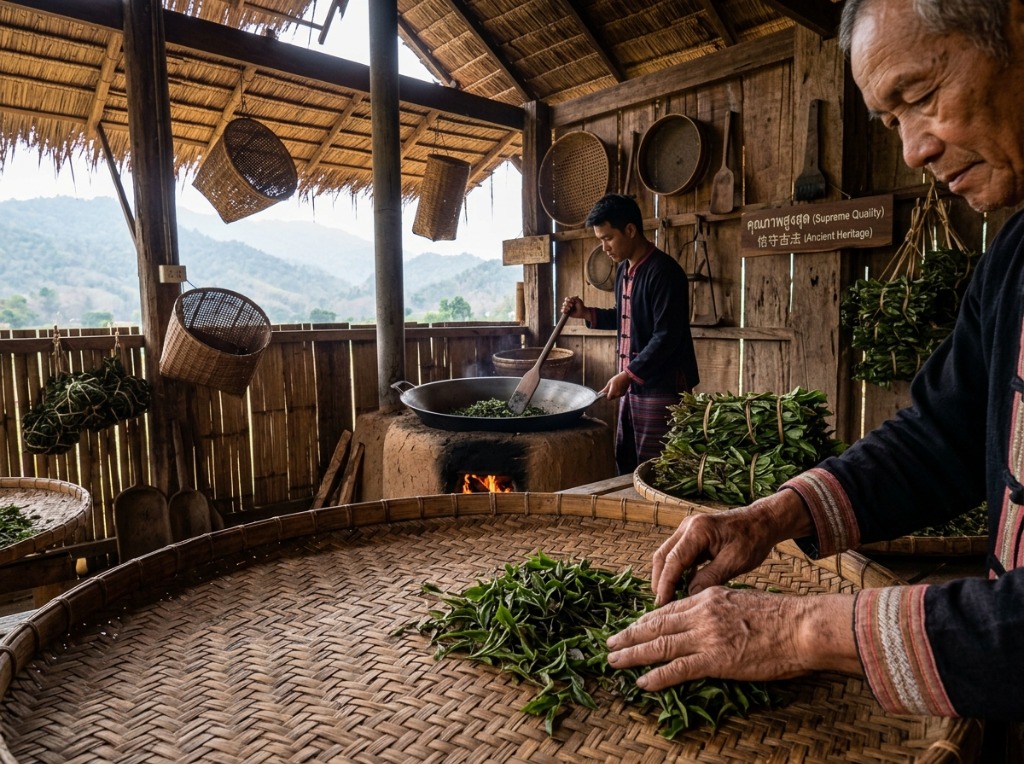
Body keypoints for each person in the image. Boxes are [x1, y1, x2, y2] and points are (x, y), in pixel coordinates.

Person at [606, 0, 1024, 725]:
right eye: (891, 122)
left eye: (920, 97)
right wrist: (765, 519)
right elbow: (938, 441)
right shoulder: (1013, 259)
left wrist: (800, 628)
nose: (913, 151)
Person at [562, 193, 699, 475]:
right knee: (628, 463)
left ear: (631, 230)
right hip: (633, 387)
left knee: (658, 469)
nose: (604, 247)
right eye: (600, 239)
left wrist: (627, 375)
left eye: (608, 238)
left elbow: (666, 336)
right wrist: (587, 314)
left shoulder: (664, 272)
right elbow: (625, 315)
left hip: (662, 389)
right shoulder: (624, 270)